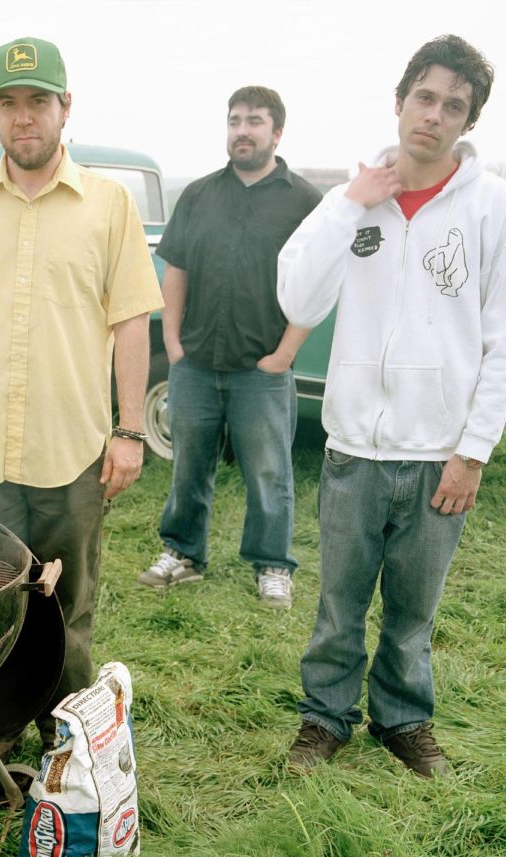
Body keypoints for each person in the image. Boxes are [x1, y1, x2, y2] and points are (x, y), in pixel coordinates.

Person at [278, 36, 506, 776]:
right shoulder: (351, 203)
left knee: (414, 613)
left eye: (455, 105)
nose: (435, 114)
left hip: (436, 457)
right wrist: (351, 205)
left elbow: (505, 341)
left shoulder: (496, 208)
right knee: (338, 606)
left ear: (469, 122)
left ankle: (403, 720)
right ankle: (324, 720)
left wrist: (473, 450)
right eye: (425, 97)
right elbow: (297, 297)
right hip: (354, 446)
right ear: (399, 102)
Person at [0, 37, 163, 751]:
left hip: (73, 452)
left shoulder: (109, 205)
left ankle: (63, 751)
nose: (25, 118)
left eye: (38, 102)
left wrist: (131, 430)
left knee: (64, 606)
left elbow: (132, 322)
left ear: (64, 108)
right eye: (10, 103)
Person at [138, 86, 320, 610]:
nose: (243, 130)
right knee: (189, 464)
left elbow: (319, 283)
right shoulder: (198, 194)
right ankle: (183, 555)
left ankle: (271, 566)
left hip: (261, 370)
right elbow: (176, 268)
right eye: (235, 120)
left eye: (255, 121)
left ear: (276, 132)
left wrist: (284, 356)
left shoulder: (304, 201)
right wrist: (172, 342)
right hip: (194, 364)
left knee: (269, 472)